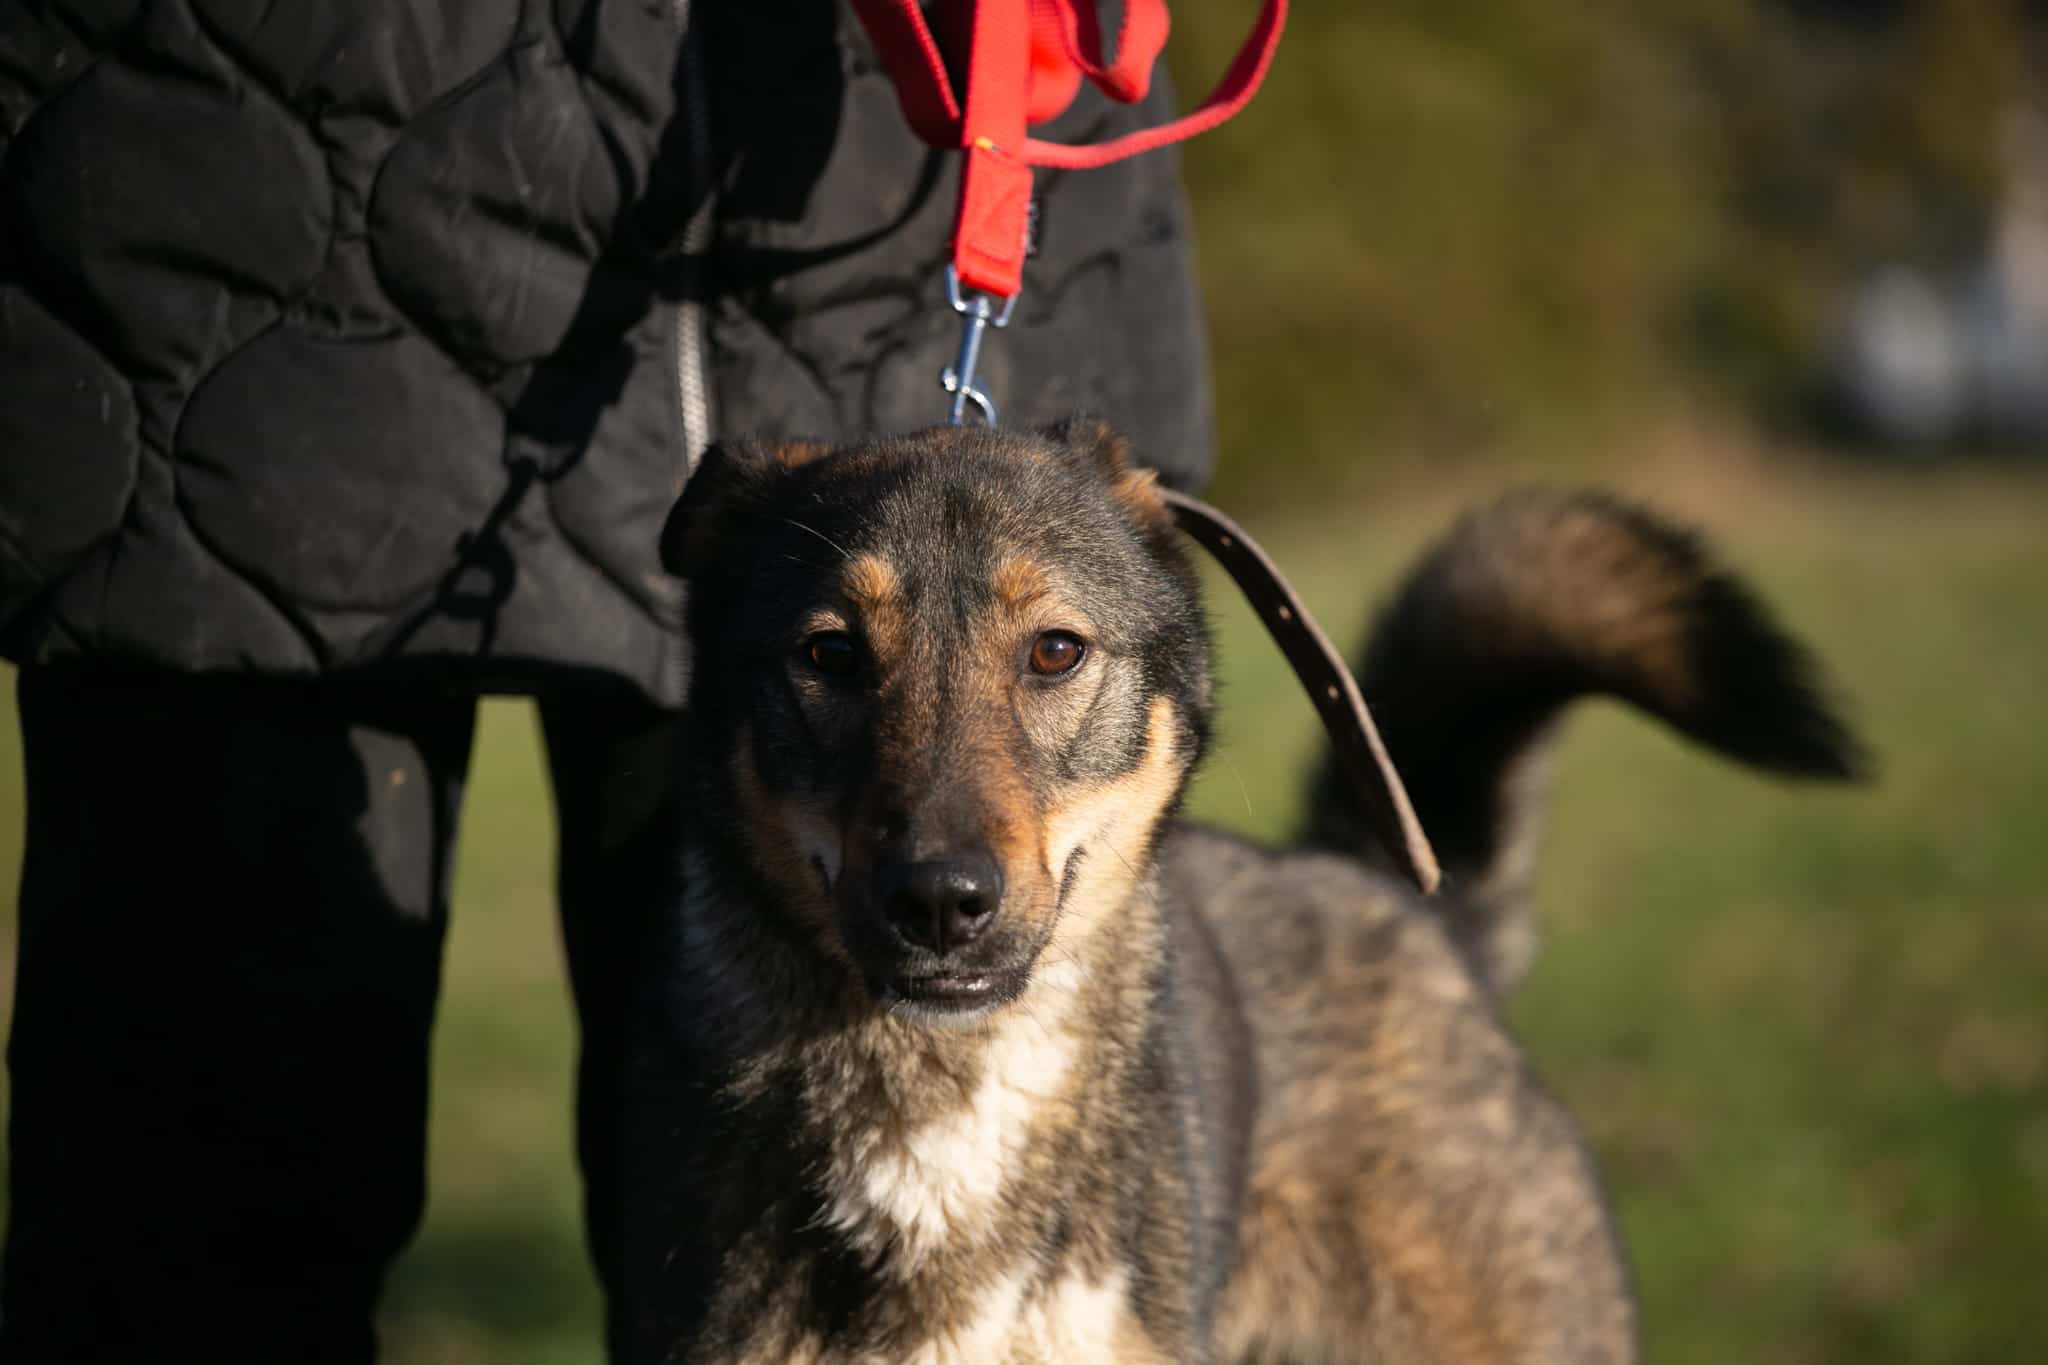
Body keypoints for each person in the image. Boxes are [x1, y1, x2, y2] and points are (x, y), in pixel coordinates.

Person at [0, 2, 1213, 1359]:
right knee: (192, 1229)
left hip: (868, 246)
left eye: (1055, 657)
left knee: (732, 1261)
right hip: (250, 289)